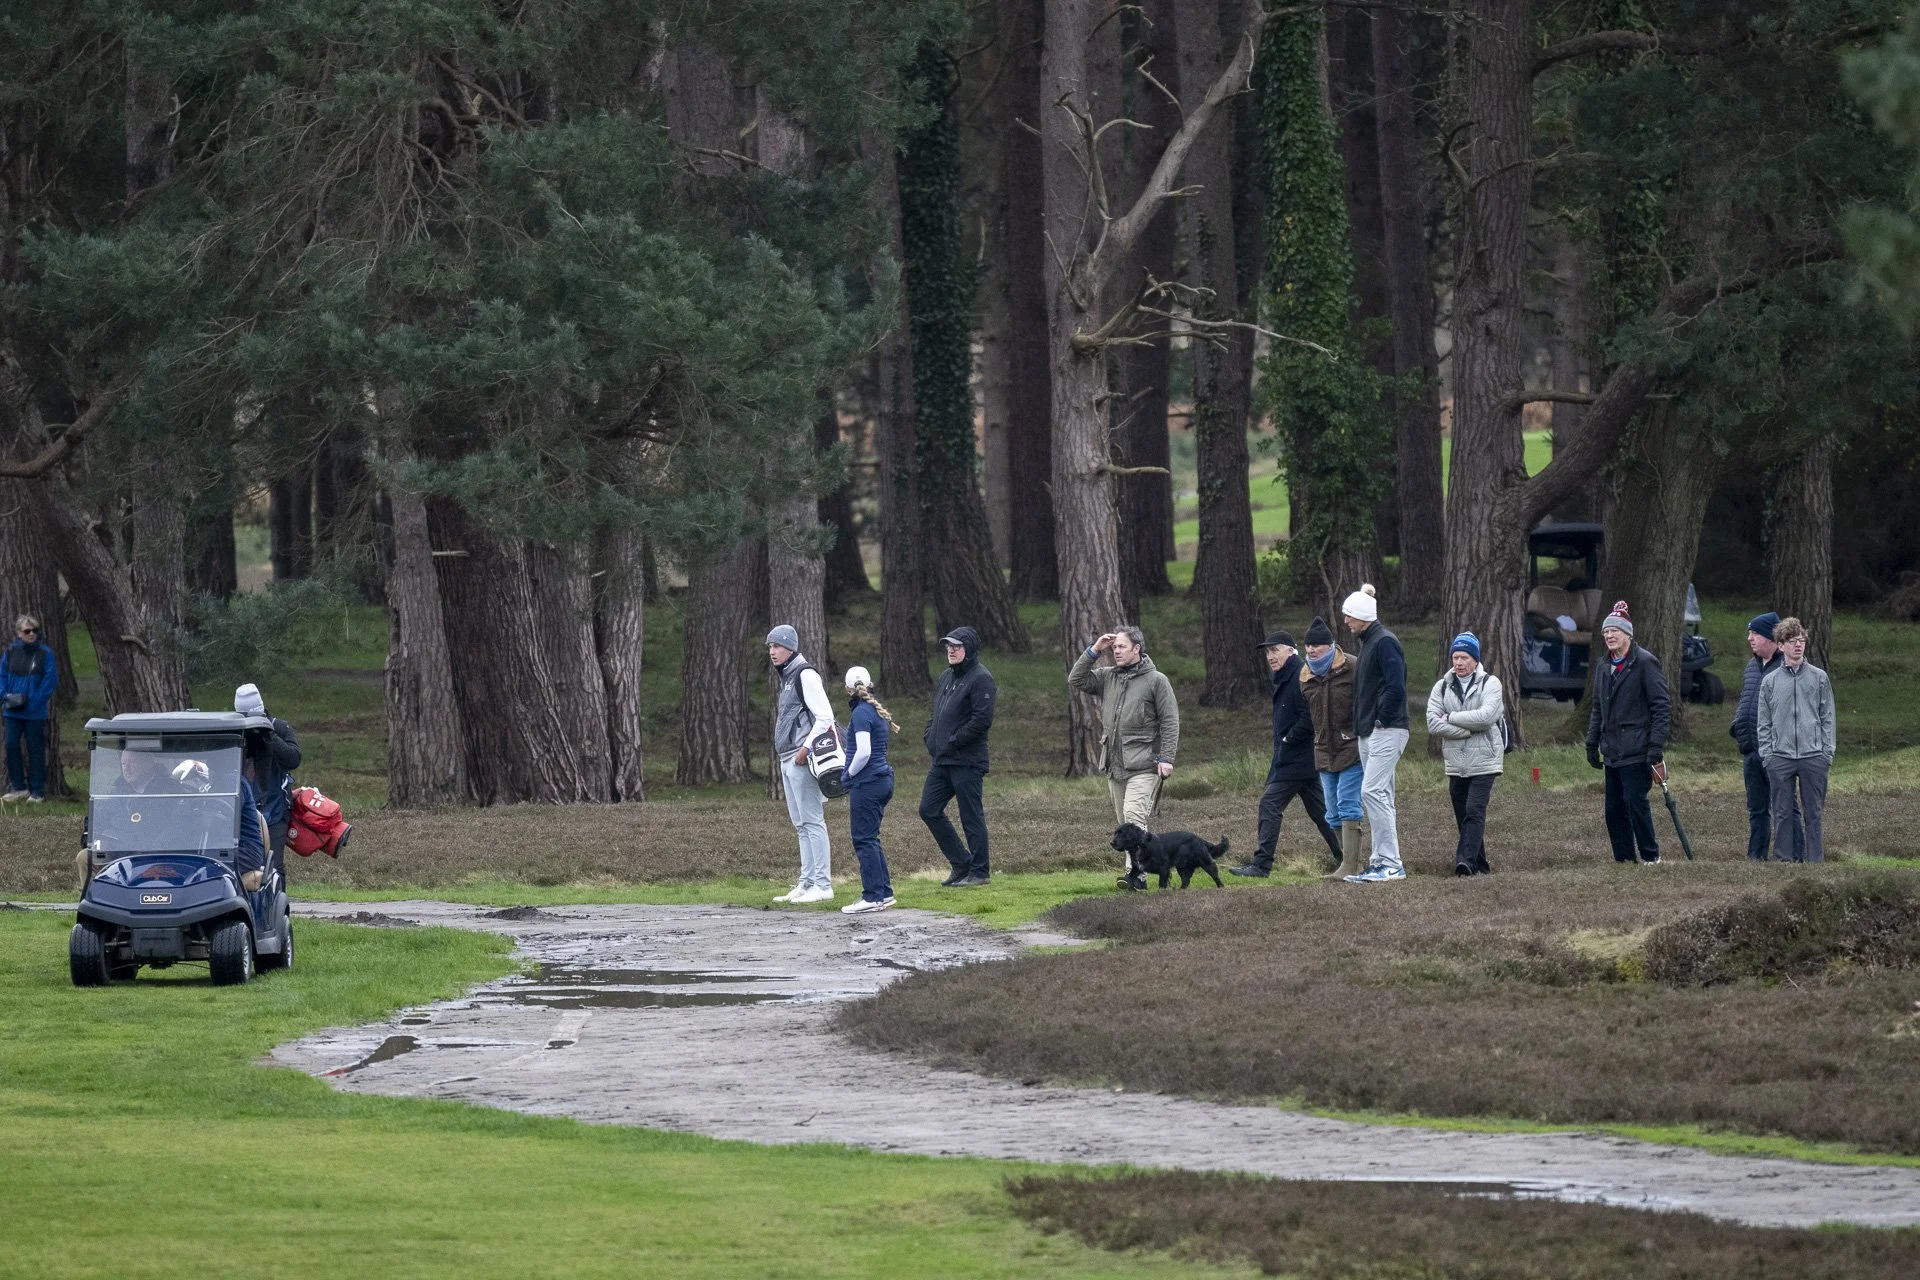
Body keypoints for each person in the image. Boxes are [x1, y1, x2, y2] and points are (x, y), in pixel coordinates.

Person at [1070, 625, 1180, 892]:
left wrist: (1166, 757)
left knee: (1133, 817)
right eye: (1114, 647)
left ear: (1137, 649)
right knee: (1125, 826)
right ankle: (1136, 872)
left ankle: (1136, 876)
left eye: (1121, 647)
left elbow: (1170, 721)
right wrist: (1094, 650)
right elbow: (1077, 679)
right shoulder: (1109, 676)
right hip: (1114, 765)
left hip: (1145, 764)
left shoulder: (1157, 680)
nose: (1116, 651)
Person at [1231, 630, 1340, 877]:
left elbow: (1312, 714)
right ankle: (1347, 858)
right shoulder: (1285, 675)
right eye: (1268, 652)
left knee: (1270, 804)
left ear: (1290, 651)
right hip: (1299, 758)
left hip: (1297, 758)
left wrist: (1288, 738)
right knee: (1322, 812)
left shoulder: (1300, 674)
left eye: (1275, 650)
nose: (1270, 656)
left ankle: (1261, 866)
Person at [1585, 601, 1671, 865]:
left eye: (1615, 631)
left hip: (1637, 750)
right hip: (1612, 751)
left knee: (1635, 803)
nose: (1610, 636)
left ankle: (1650, 857)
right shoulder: (1602, 666)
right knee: (1613, 810)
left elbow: (1661, 706)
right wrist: (1592, 741)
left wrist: (1655, 746)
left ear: (1628, 634)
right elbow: (1598, 707)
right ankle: (1624, 860)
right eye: (1606, 632)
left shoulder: (1645, 662)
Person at [1340, 585, 1409, 884]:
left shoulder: (1385, 642)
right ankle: (1381, 861)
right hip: (1369, 731)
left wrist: (1380, 719)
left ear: (1363, 616)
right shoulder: (1369, 642)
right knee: (1382, 795)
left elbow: (1396, 686)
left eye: (1349, 616)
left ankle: (1391, 864)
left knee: (1372, 791)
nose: (1346, 622)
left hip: (1387, 728)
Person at [921, 626, 996, 887]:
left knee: (971, 816)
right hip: (942, 760)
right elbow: (937, 712)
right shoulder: (945, 677)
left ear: (969, 649)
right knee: (928, 810)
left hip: (967, 761)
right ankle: (961, 864)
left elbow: (982, 720)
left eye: (957, 646)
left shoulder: (981, 678)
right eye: (948, 646)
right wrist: (930, 736)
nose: (951, 650)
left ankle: (980, 872)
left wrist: (953, 741)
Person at [766, 624, 836, 905]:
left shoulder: (804, 674)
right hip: (787, 758)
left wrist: (805, 749)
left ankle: (823, 884)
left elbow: (826, 717)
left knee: (812, 820)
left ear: (790, 648)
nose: (772, 652)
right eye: (770, 647)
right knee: (800, 824)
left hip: (800, 758)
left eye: (777, 646)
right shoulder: (786, 676)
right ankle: (807, 882)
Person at [1425, 632, 1505, 876]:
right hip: (1456, 761)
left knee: (1474, 809)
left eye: (1464, 657)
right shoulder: (1442, 686)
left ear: (1475, 659)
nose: (1458, 662)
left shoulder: (1491, 683)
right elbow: (1432, 723)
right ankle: (1481, 865)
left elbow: (1486, 717)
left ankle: (1465, 863)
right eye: (1455, 657)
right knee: (1463, 813)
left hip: (1485, 760)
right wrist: (1465, 732)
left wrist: (1451, 718)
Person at [1757, 616, 1836, 864]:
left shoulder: (1819, 677)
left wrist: (1826, 753)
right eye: (1792, 641)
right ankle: (1783, 860)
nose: (1798, 645)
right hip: (1780, 756)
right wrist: (1768, 755)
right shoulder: (1769, 681)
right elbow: (1764, 722)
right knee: (1782, 813)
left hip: (1814, 756)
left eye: (1801, 640)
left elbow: (1828, 717)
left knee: (1814, 813)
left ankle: (1815, 862)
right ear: (1780, 646)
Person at [1728, 611, 1801, 862]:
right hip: (1750, 750)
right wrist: (1737, 725)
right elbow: (1746, 699)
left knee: (1786, 808)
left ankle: (1795, 857)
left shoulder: (1789, 667)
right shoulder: (1752, 666)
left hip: (1777, 752)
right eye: (1749, 633)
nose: (1750, 639)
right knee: (1756, 809)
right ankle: (1755, 857)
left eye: (1755, 634)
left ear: (1772, 637)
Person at [1299, 615, 1366, 880]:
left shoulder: (1352, 666)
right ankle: (1348, 863)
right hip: (1323, 751)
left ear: (1330, 645)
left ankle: (1352, 866)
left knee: (1349, 805)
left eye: (1316, 645)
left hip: (1352, 748)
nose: (1311, 650)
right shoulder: (1304, 675)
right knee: (1332, 811)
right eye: (1308, 646)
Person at [840, 666, 898, 915]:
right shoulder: (873, 710)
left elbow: (863, 752)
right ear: (870, 683)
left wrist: (848, 774)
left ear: (847, 690)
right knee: (871, 838)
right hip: (882, 779)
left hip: (868, 782)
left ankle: (872, 896)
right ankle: (884, 893)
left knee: (863, 839)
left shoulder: (861, 713)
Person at [235, 682, 302, 871]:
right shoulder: (236, 731)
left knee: (274, 866)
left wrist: (268, 734)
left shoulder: (279, 727)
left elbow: (294, 758)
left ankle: (278, 899)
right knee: (245, 865)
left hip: (276, 808)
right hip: (243, 807)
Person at [2, 614, 59, 803]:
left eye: (35, 630)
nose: (31, 634)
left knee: (35, 749)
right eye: (27, 631)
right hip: (12, 709)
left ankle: (37, 791)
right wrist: (4, 695)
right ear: (19, 633)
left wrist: (35, 702)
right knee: (11, 745)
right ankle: (19, 787)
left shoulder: (45, 653)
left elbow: (49, 681)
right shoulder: (11, 652)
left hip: (34, 711)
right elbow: (2, 675)